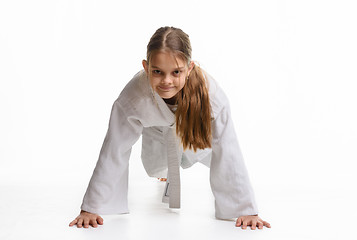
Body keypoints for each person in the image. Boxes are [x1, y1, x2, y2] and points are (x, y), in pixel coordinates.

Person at [69, 26, 271, 230]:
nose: (166, 80)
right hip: (156, 132)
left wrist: (246, 209)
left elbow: (228, 148)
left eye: (176, 72)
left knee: (215, 154)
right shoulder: (133, 96)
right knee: (154, 166)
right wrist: (92, 207)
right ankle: (162, 171)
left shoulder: (212, 95)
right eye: (157, 72)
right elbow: (114, 148)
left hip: (196, 134)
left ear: (189, 68)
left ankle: (186, 161)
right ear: (146, 68)